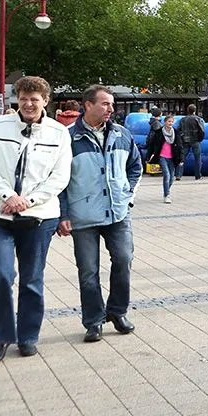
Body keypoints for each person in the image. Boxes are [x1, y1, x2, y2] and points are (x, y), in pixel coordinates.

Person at [0, 76, 72, 363]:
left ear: (46, 101)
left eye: (35, 99)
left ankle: (28, 336)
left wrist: (28, 200)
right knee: (1, 275)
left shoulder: (58, 133)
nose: (28, 104)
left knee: (31, 279)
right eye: (24, 98)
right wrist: (8, 196)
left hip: (38, 217)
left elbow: (60, 177)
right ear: (17, 99)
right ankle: (3, 336)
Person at [57, 85, 143, 343]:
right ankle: (93, 321)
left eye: (112, 104)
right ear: (87, 105)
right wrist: (62, 214)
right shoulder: (68, 138)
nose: (111, 109)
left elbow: (135, 167)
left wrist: (127, 197)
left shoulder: (122, 134)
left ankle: (117, 312)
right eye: (105, 104)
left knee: (123, 259)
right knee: (88, 271)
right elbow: (58, 180)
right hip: (82, 216)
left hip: (118, 212)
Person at [146, 114, 183, 204]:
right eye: (169, 121)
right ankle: (167, 195)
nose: (170, 123)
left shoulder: (176, 132)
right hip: (162, 156)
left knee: (171, 178)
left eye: (172, 122)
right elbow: (151, 145)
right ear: (165, 122)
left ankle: (166, 190)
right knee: (166, 175)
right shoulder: (159, 132)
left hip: (172, 158)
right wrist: (148, 156)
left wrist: (181, 159)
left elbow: (180, 147)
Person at [176, 104, 206, 181]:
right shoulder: (198, 119)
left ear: (188, 110)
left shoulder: (183, 119)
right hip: (195, 140)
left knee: (182, 158)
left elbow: (179, 129)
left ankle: (178, 175)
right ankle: (198, 176)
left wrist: (181, 138)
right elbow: (202, 130)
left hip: (185, 140)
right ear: (195, 111)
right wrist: (200, 139)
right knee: (198, 158)